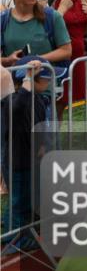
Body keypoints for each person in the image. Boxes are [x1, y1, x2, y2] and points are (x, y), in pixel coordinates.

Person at [0, 60, 52, 254]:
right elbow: (19, 107)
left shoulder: (37, 99)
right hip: (18, 161)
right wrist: (29, 78)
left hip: (28, 159)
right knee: (20, 199)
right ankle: (16, 240)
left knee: (23, 197)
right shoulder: (14, 102)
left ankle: (12, 231)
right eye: (46, 78)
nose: (51, 82)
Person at [0, 0, 72, 70]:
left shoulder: (52, 16)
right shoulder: (3, 20)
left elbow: (66, 51)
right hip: (13, 82)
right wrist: (8, 60)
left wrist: (37, 60)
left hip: (45, 82)